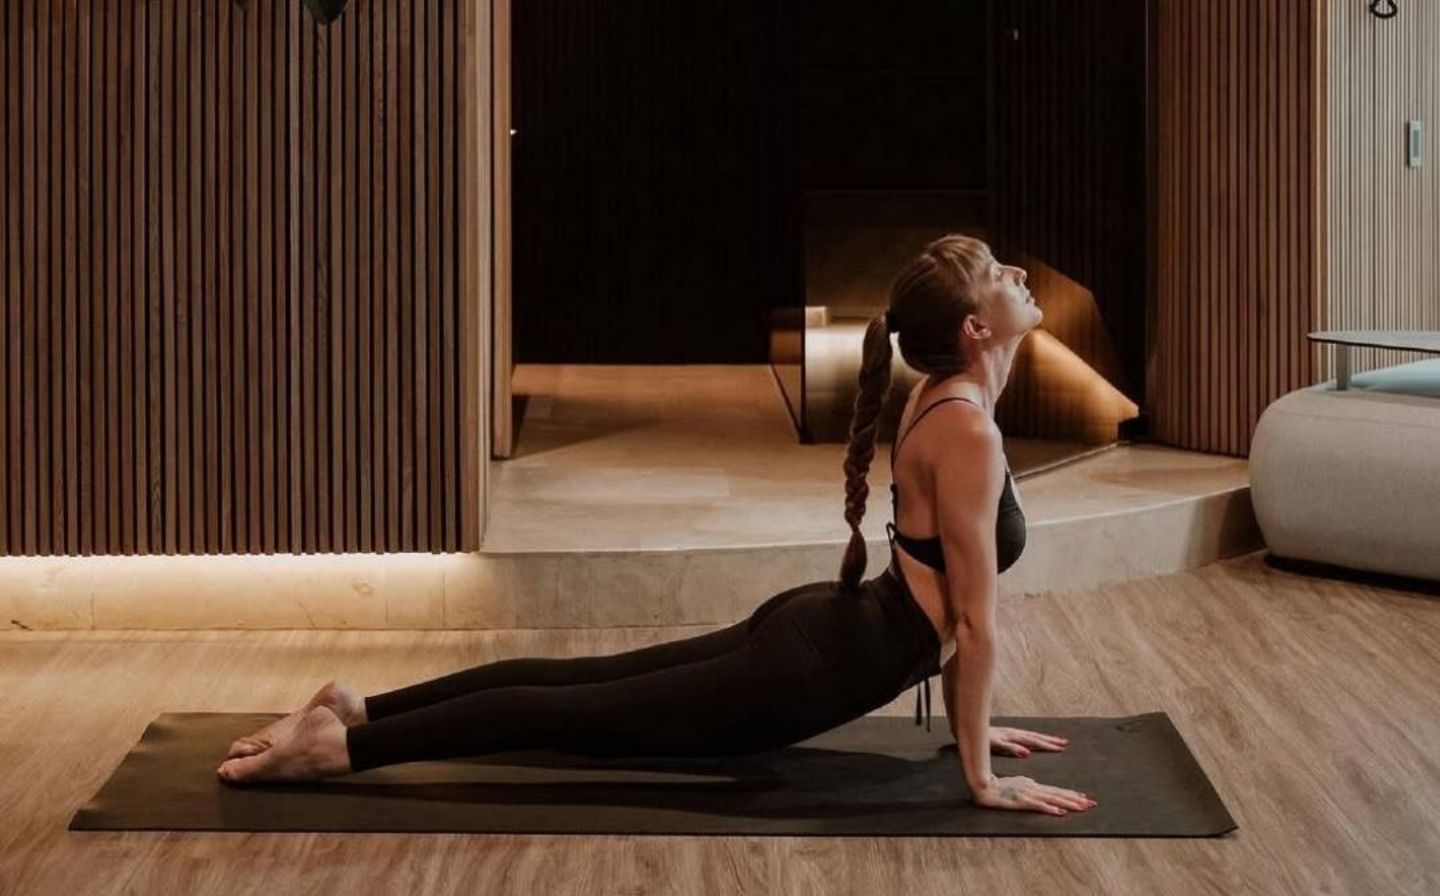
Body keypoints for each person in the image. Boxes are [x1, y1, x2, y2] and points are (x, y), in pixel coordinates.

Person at [216, 234, 1097, 818]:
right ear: (978, 327)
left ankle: (352, 706)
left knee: (579, 687)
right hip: (817, 663)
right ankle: (342, 749)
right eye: (1001, 277)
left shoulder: (952, 400)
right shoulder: (969, 428)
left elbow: (949, 610)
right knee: (580, 715)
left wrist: (975, 723)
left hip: (824, 631)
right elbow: (972, 622)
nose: (1022, 275)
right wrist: (981, 776)